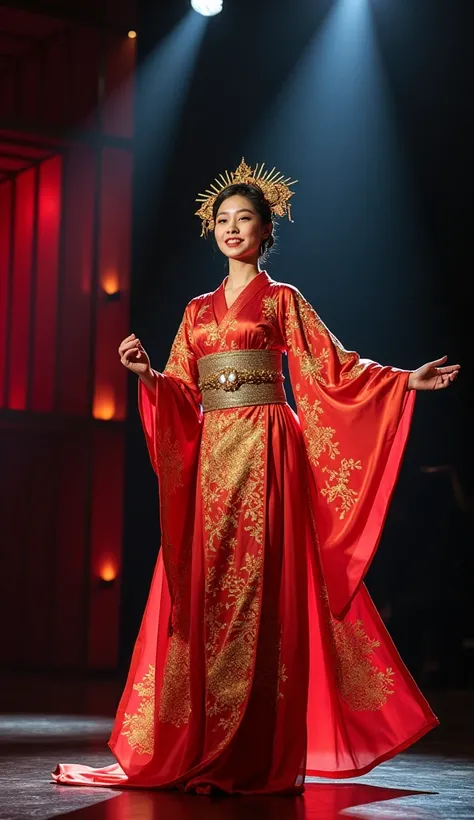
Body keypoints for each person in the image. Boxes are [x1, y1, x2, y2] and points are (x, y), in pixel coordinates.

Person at [52, 158, 460, 795]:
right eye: (223, 219)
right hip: (212, 454)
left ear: (268, 231)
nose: (232, 227)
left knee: (258, 595)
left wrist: (405, 379)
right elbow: (183, 392)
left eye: (245, 219)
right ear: (211, 230)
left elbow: (333, 368)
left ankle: (248, 754)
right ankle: (202, 746)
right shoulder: (196, 311)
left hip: (269, 448)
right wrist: (145, 377)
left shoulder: (282, 300)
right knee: (206, 594)